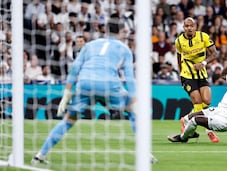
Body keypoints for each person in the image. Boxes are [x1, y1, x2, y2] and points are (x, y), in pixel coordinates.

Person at [31, 17, 157, 164]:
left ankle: (40, 155)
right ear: (122, 31)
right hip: (108, 85)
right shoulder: (124, 49)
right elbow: (129, 78)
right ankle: (145, 155)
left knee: (68, 121)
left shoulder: (90, 45)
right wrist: (134, 100)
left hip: (84, 83)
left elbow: (75, 68)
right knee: (134, 113)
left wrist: (66, 94)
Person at [168, 53, 227, 145]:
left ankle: (182, 138)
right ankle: (190, 133)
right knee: (187, 118)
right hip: (218, 110)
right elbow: (223, 75)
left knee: (194, 120)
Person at [175, 17, 220, 143]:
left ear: (195, 27)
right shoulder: (179, 41)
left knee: (206, 101)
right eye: (186, 26)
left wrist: (204, 63)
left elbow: (215, 54)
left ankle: (186, 119)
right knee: (198, 101)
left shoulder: (203, 37)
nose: (189, 28)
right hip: (187, 75)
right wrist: (181, 73)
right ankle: (209, 131)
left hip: (201, 74)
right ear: (183, 27)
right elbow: (178, 57)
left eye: (191, 26)